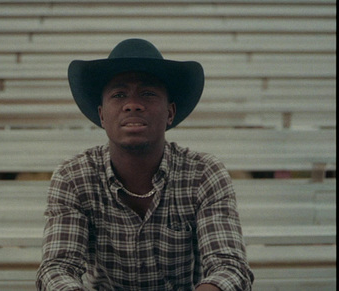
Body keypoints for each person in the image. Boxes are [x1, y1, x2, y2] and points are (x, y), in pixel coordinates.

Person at [36, 38, 254, 291]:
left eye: (148, 93)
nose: (132, 104)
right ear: (102, 115)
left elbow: (229, 267)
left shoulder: (204, 172)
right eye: (118, 95)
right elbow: (57, 268)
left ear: (170, 113)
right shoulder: (73, 176)